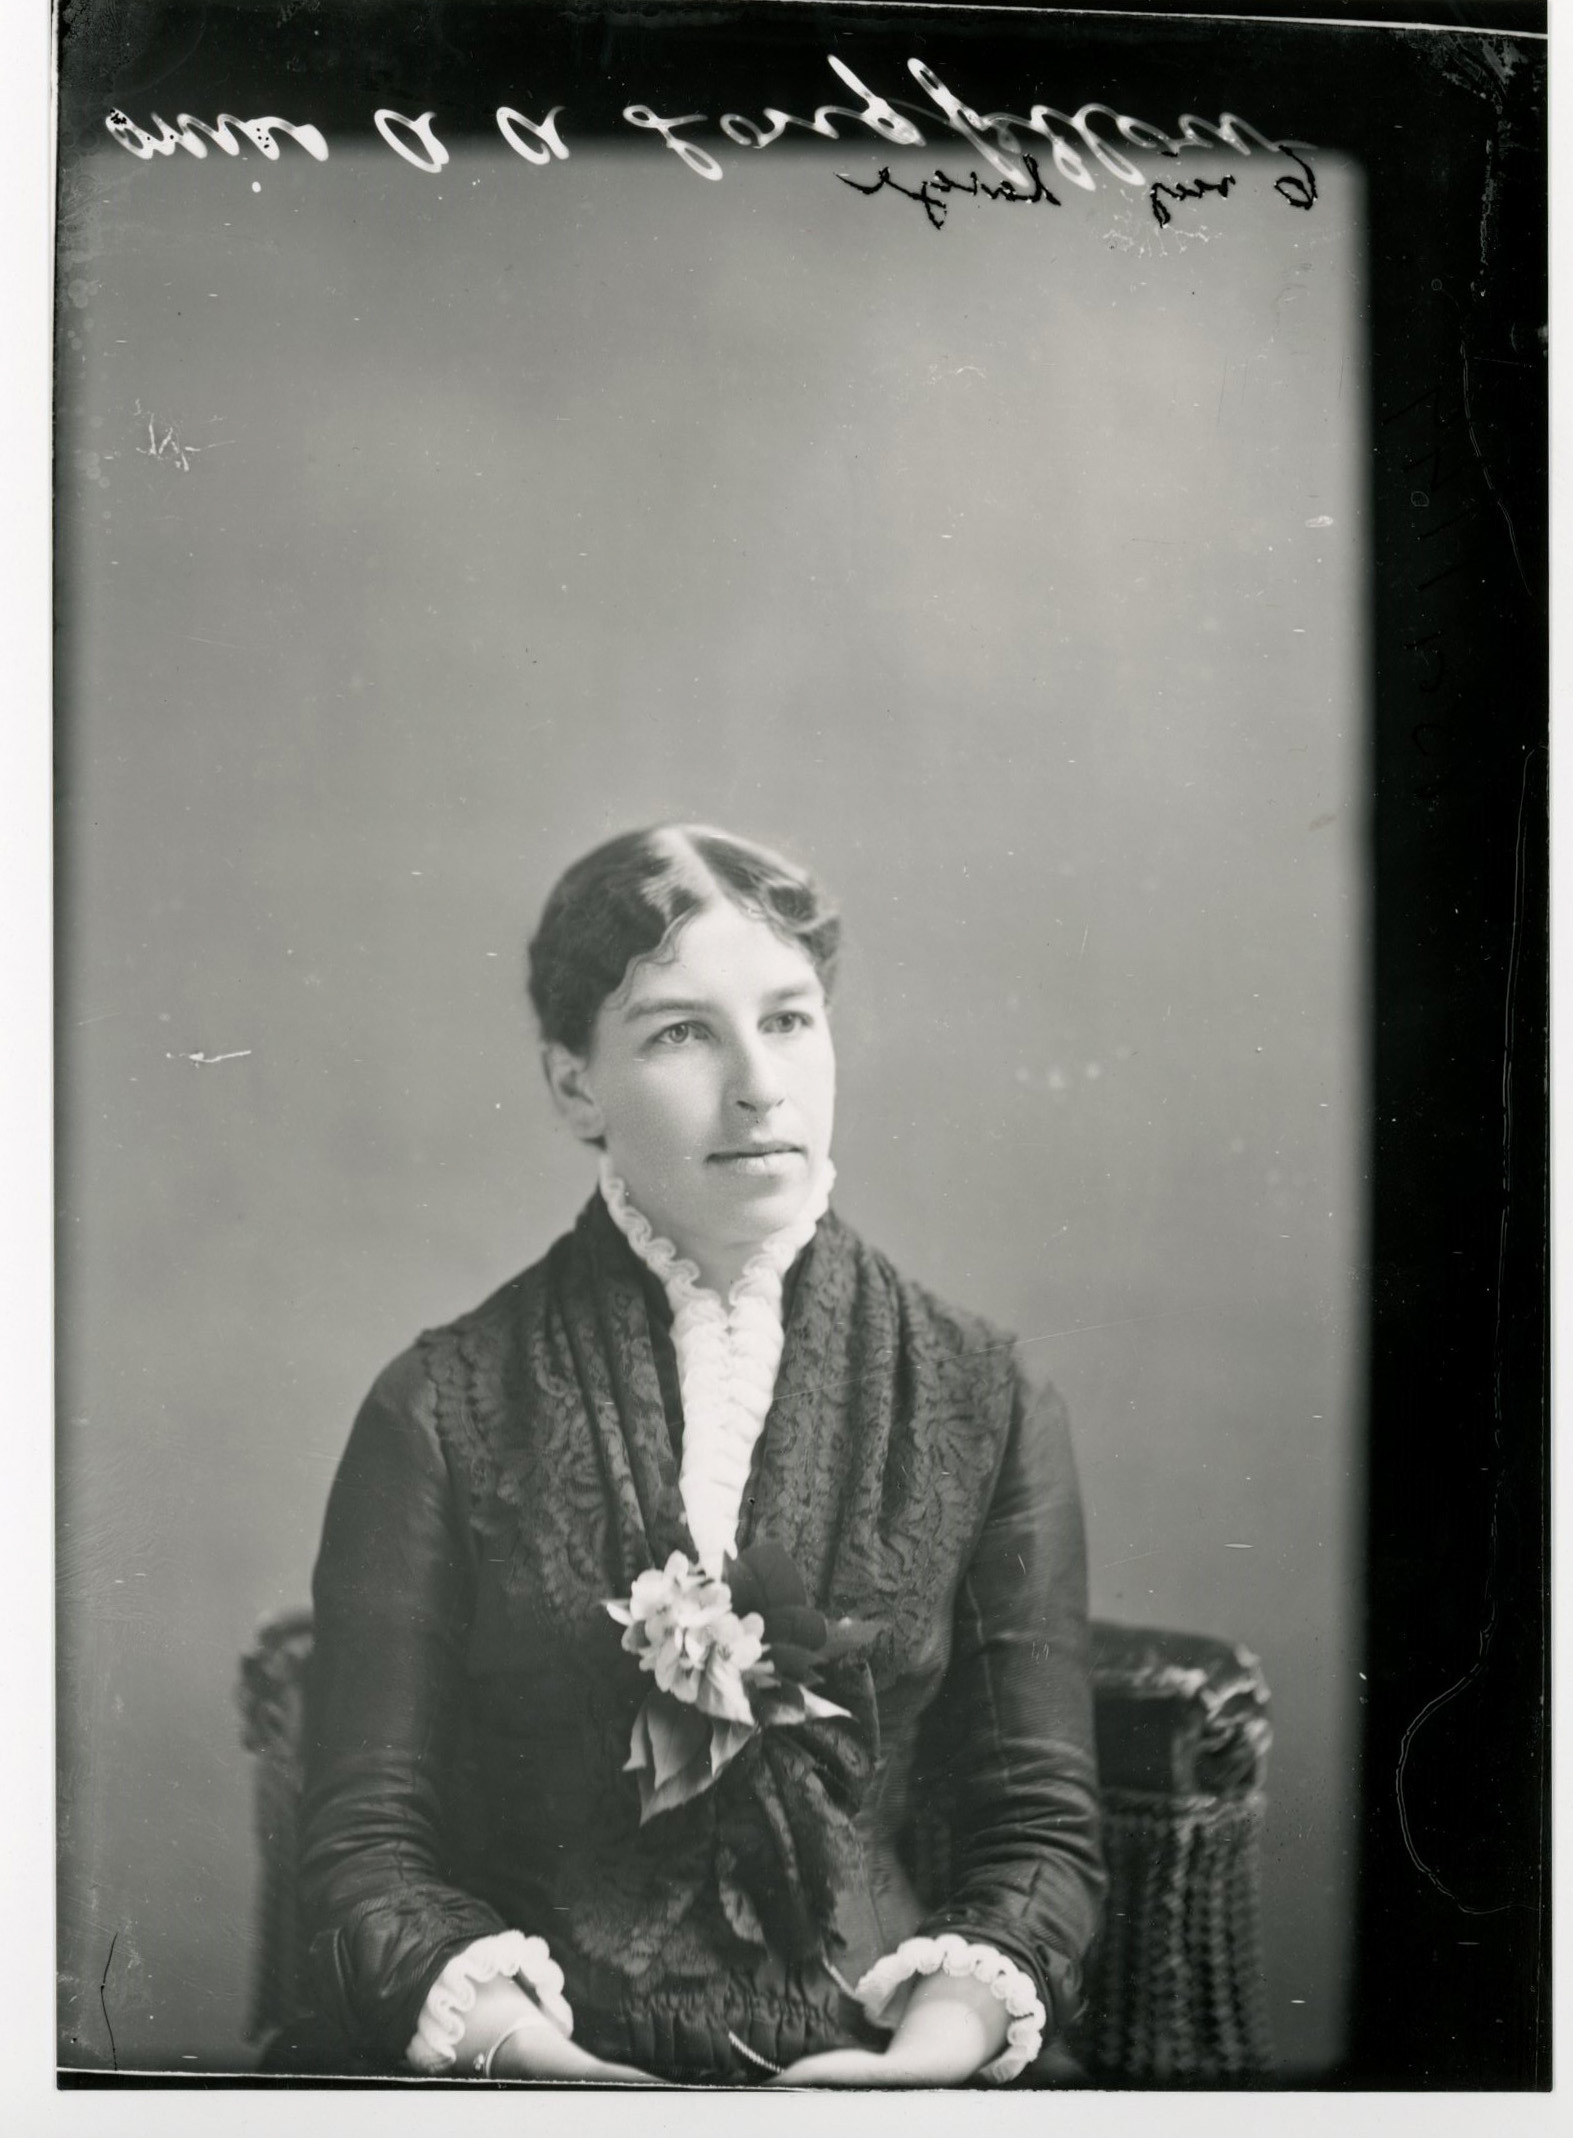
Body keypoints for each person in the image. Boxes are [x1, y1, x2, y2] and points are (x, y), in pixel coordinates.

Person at [297, 824, 1104, 2085]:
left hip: (886, 2067)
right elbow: (366, 1847)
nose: (757, 1086)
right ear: (574, 1084)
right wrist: (541, 2061)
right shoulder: (437, 1408)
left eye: (787, 1020)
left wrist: (922, 2057)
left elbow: (1040, 1830)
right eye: (681, 1032)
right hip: (540, 2072)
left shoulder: (983, 1393)